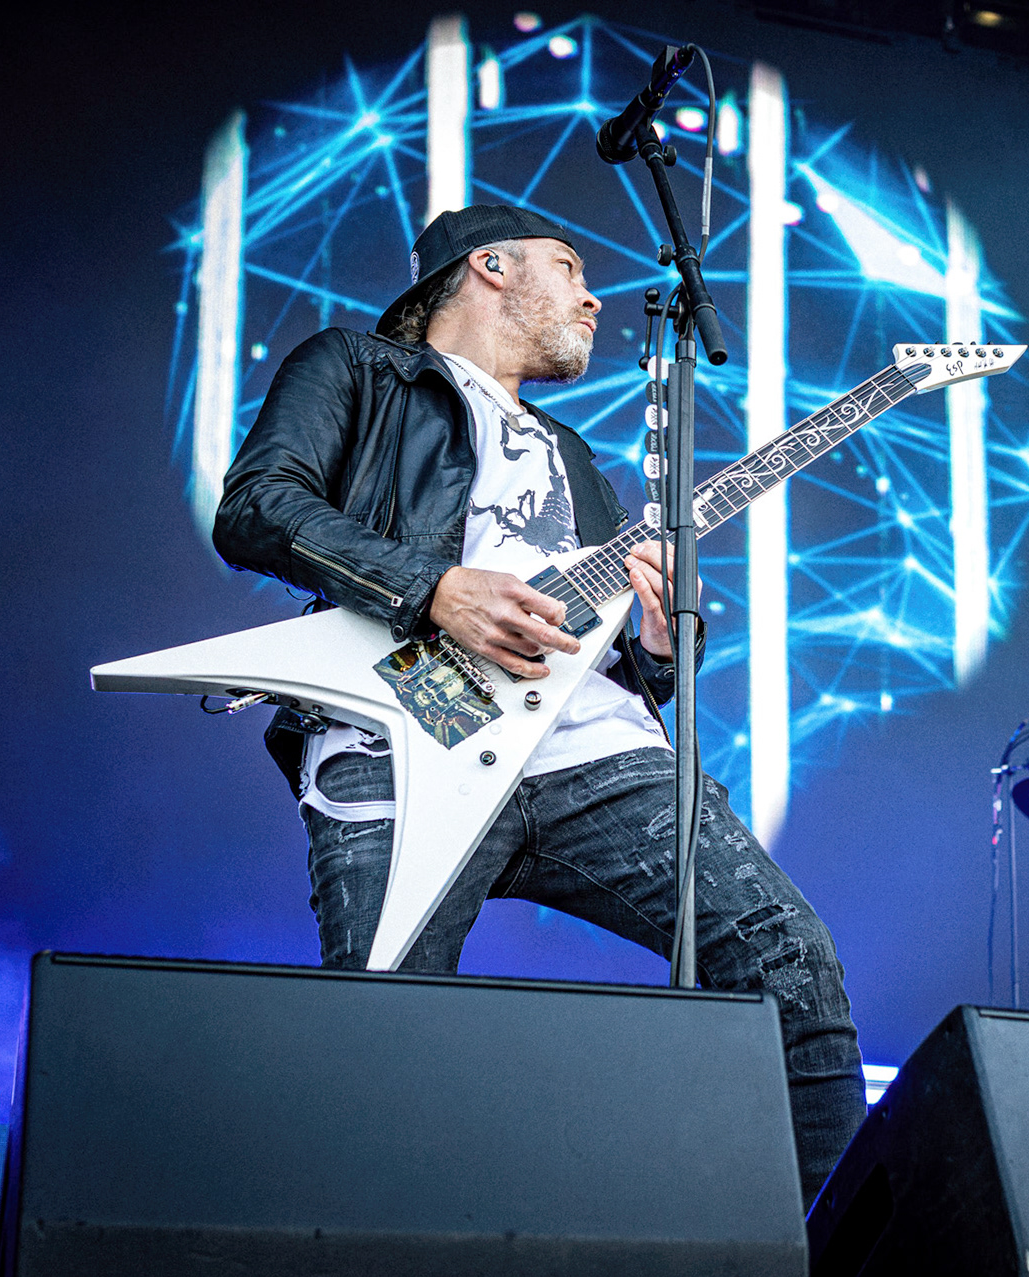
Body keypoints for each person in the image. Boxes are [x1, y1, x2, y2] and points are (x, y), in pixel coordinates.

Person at [211, 202, 866, 1202]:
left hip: (594, 753)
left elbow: (618, 658)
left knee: (791, 957)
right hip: (404, 728)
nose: (595, 298)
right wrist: (433, 587)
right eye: (569, 267)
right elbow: (257, 506)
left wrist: (659, 642)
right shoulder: (358, 368)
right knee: (380, 1033)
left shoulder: (572, 453)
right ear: (489, 267)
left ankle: (851, 1250)